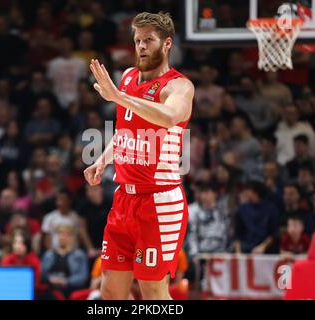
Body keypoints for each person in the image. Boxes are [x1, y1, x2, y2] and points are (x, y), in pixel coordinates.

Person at [84, 12, 194, 300]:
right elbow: (124, 132)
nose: (142, 46)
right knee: (110, 288)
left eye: (149, 40)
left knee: (153, 290)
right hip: (124, 199)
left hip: (158, 202)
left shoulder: (179, 86)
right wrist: (103, 160)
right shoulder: (129, 77)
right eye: (137, 40)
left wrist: (118, 97)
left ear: (167, 43)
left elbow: (170, 117)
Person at [41, 224, 89, 299]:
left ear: (72, 238)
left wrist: (66, 281)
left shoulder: (79, 255)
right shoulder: (48, 254)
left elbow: (83, 276)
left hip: (70, 288)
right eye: (61, 234)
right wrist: (50, 279)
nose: (63, 237)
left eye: (67, 235)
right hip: (51, 288)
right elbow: (41, 273)